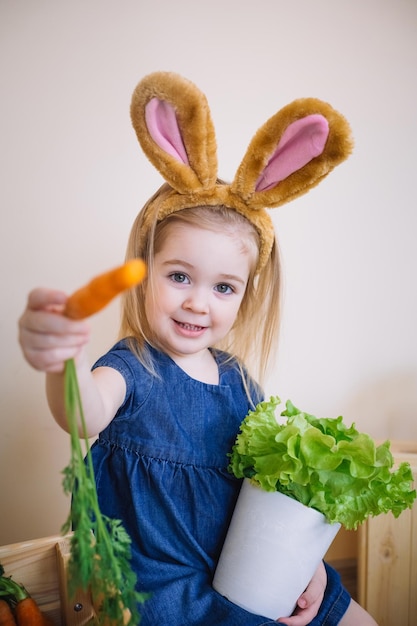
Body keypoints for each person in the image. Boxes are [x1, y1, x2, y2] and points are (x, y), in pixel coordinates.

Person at [18, 72, 378, 625]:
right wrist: (61, 359)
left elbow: (274, 498)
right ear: (145, 273)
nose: (198, 304)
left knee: (357, 618)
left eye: (223, 288)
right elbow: (81, 413)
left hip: (250, 568)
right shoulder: (131, 367)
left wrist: (304, 563)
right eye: (180, 276)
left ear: (244, 296)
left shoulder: (240, 382)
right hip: (164, 584)